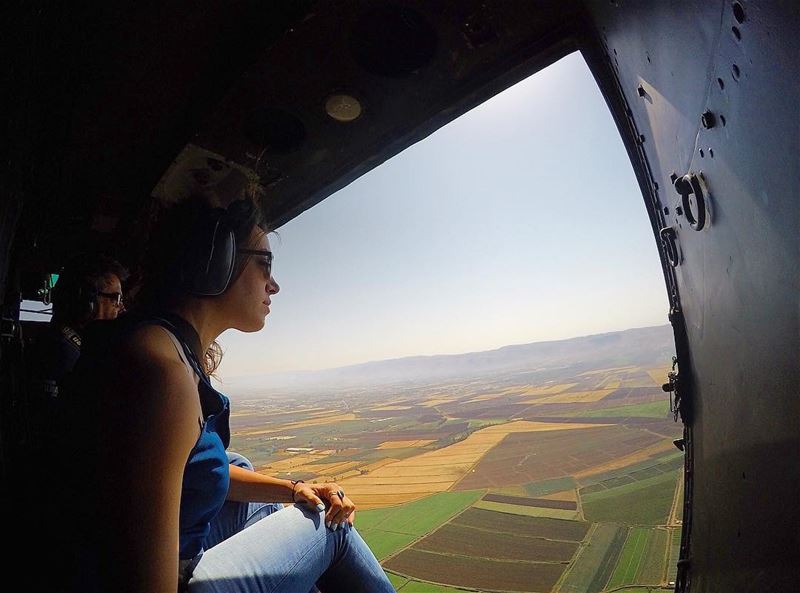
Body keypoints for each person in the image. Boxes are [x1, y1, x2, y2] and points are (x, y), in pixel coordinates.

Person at [60, 196, 396, 593]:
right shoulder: (160, 371)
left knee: (254, 481)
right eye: (265, 264)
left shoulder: (153, 343)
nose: (274, 284)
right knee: (329, 527)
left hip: (156, 559)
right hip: (174, 580)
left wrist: (293, 489)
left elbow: (191, 473)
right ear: (216, 261)